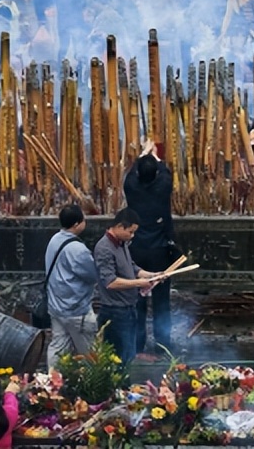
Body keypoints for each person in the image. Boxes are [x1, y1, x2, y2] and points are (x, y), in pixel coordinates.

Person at [93, 208, 166, 365]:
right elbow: (110, 282)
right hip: (114, 311)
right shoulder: (104, 248)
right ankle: (118, 388)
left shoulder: (122, 244)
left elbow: (132, 268)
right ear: (120, 226)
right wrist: (139, 283)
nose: (132, 236)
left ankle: (124, 387)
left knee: (128, 354)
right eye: (130, 232)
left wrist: (153, 275)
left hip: (128, 308)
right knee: (118, 358)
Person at [123, 142, 175, 355]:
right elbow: (164, 169)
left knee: (138, 299)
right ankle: (163, 345)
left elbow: (132, 173)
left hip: (136, 250)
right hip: (161, 251)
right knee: (162, 299)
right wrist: (154, 154)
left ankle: (137, 344)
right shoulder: (163, 186)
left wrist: (144, 152)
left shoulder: (131, 188)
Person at [45, 204, 99, 368]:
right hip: (76, 310)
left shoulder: (54, 240)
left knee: (58, 346)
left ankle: (51, 383)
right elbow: (93, 275)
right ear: (76, 224)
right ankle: (92, 386)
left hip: (56, 306)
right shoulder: (77, 249)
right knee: (88, 352)